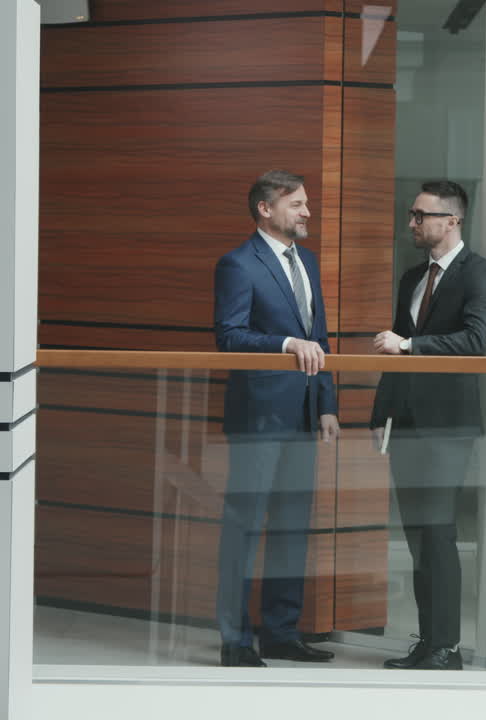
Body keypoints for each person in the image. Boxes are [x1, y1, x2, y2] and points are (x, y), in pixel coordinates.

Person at [212, 170, 341, 667]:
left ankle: (281, 632)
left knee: (293, 525)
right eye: (298, 204)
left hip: (306, 415)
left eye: (307, 204)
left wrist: (327, 404)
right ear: (266, 209)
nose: (308, 212)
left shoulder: (306, 260)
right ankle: (235, 640)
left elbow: (321, 339)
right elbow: (229, 337)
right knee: (243, 525)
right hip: (259, 417)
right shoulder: (238, 264)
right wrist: (285, 344)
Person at [370, 180, 486, 670]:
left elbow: (475, 340)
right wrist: (381, 413)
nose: (412, 223)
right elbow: (394, 351)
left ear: (452, 220)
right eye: (412, 214)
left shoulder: (479, 273)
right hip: (404, 421)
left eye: (420, 215)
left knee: (439, 532)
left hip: (447, 425)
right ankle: (428, 642)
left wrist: (409, 346)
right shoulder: (412, 278)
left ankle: (448, 646)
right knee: (416, 535)